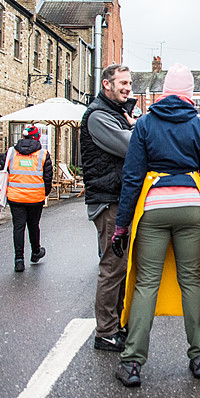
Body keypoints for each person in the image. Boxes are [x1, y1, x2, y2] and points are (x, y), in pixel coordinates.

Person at [111, 62, 200, 387]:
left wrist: (121, 226)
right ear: (190, 95)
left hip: (153, 207)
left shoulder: (145, 124)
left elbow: (131, 178)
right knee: (192, 281)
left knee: (147, 283)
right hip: (191, 207)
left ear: (163, 93)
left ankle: (132, 363)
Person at [80, 63, 135, 352]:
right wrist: (137, 127)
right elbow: (131, 146)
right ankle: (105, 332)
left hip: (117, 198)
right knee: (112, 267)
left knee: (121, 266)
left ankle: (116, 326)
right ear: (106, 85)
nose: (127, 87)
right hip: (108, 201)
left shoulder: (115, 114)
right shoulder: (99, 116)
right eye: (122, 83)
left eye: (129, 83)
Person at [6, 125, 52, 272]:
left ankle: (19, 260)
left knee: (18, 227)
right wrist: (45, 193)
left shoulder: (12, 152)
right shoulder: (43, 154)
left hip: (15, 196)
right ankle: (35, 252)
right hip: (35, 197)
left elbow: (4, 170)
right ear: (37, 137)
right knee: (33, 225)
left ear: (23, 136)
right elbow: (48, 177)